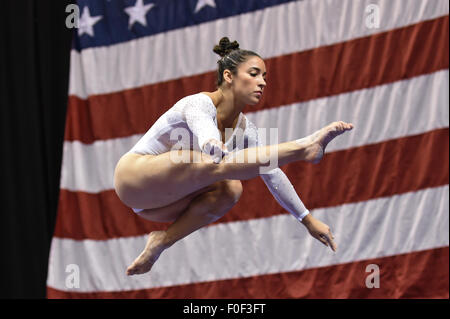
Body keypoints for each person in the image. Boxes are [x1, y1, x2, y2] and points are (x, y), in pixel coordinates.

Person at [113, 37, 354, 276]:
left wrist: (307, 219)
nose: (262, 83)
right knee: (201, 161)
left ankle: (162, 241)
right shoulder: (199, 103)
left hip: (156, 205)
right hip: (133, 178)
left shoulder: (246, 129)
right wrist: (211, 143)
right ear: (229, 76)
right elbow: (203, 129)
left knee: (231, 189)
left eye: (264, 77)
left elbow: (271, 172)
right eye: (254, 74)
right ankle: (304, 148)